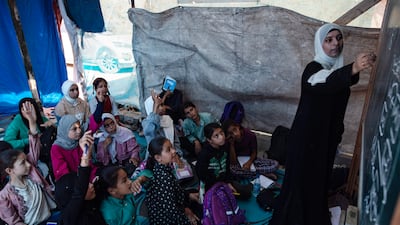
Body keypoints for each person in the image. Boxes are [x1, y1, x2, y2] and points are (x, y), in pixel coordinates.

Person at [270, 23, 376, 225]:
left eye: (338, 38)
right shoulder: (314, 69)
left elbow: (338, 82)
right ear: (320, 44)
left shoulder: (334, 69)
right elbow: (324, 82)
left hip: (323, 141)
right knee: (300, 186)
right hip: (306, 141)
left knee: (317, 182)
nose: (335, 44)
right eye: (328, 40)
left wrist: (353, 70)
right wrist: (353, 67)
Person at [0, 101, 57, 225]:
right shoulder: (4, 196)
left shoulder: (32, 173)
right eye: (22, 163)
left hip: (51, 218)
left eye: (26, 160)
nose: (29, 164)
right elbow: (14, 221)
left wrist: (31, 121)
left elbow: (34, 145)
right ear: (10, 170)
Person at [145, 137, 200, 225]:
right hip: (167, 218)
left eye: (172, 147)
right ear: (158, 158)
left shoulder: (162, 169)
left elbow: (175, 190)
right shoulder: (164, 178)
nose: (174, 151)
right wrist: (186, 211)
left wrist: (188, 195)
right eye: (168, 150)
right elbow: (171, 210)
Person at [55, 132, 106, 225]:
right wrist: (85, 156)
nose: (91, 185)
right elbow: (79, 191)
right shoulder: (69, 218)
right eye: (86, 186)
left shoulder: (90, 204)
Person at [196, 122, 252, 199]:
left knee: (246, 194)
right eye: (216, 136)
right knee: (220, 201)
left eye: (221, 133)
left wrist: (228, 182)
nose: (221, 137)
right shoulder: (204, 154)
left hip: (224, 181)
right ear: (209, 140)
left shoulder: (225, 146)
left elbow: (228, 167)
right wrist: (221, 185)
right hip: (212, 185)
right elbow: (202, 175)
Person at [51, 114, 97, 181]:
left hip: (85, 179)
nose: (79, 131)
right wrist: (82, 185)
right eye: (74, 129)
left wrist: (93, 178)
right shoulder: (56, 148)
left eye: (79, 127)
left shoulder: (78, 142)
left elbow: (88, 164)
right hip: (72, 184)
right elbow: (63, 174)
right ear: (65, 131)